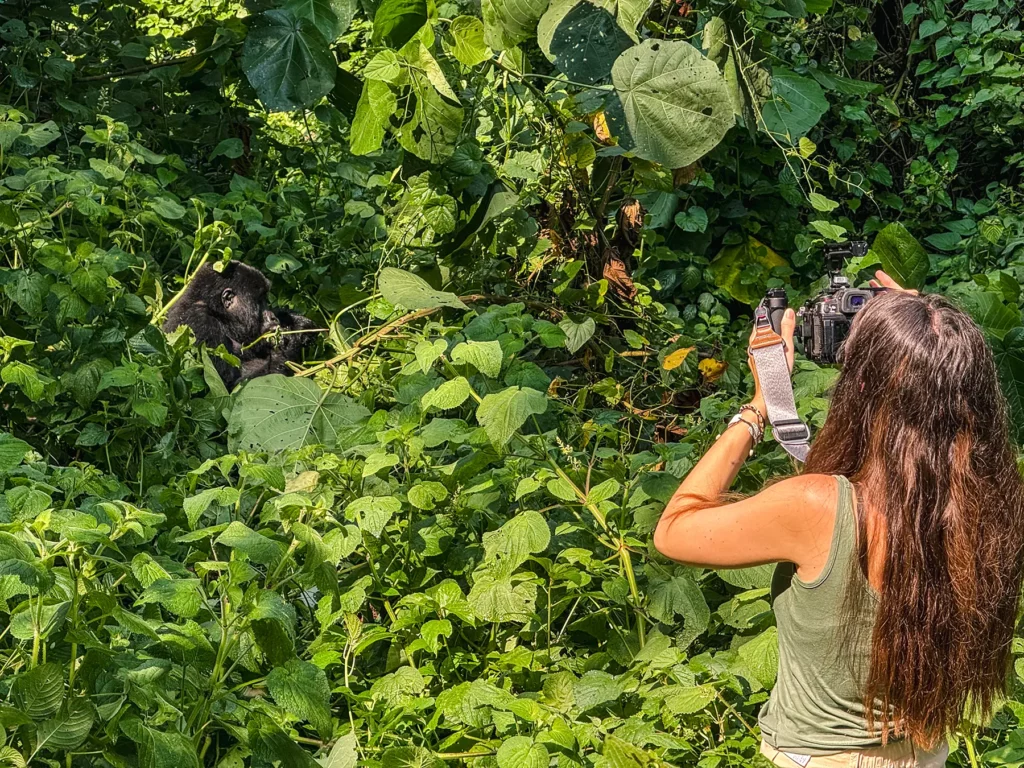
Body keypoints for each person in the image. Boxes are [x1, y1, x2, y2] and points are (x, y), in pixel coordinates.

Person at [653, 271, 1024, 768]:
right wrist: (925, 330)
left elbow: (674, 528)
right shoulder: (995, 505)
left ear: (861, 383)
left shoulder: (816, 507)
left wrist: (761, 406)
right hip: (924, 754)